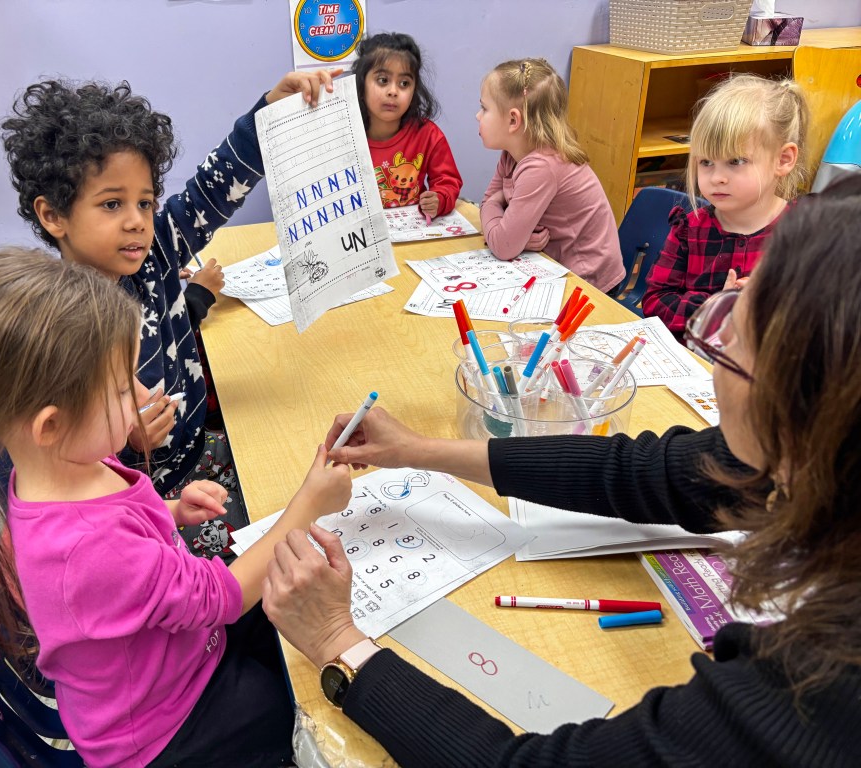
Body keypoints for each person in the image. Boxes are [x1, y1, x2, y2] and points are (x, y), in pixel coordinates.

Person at [260, 179, 861, 766]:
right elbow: (638, 471)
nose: (716, 343)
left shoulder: (821, 688)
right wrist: (420, 450)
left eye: (732, 337)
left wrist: (341, 645)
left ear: (799, 404)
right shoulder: (813, 460)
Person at [0, 250, 352, 768]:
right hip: (159, 734)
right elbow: (220, 598)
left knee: (287, 616)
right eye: (124, 387)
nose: (147, 394)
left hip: (169, 668)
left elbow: (119, 524)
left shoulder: (60, 466)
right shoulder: (88, 545)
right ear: (51, 425)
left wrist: (170, 511)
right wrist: (309, 505)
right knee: (299, 708)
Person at [0, 70, 337, 553]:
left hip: (199, 452)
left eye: (145, 202)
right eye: (112, 204)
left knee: (298, 474)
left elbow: (213, 188)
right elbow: (72, 472)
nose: (137, 221)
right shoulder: (62, 331)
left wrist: (269, 111)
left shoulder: (154, 251)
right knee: (274, 559)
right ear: (53, 216)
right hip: (148, 502)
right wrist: (129, 443)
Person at [643, 74, 808, 341]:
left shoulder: (805, 232)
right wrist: (713, 307)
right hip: (694, 358)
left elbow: (824, 316)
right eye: (706, 162)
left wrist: (769, 304)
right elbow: (655, 301)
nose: (717, 178)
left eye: (736, 161)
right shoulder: (689, 228)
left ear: (783, 159)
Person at [477, 58, 624, 292]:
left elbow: (502, 243)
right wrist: (513, 236)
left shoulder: (541, 166)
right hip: (553, 265)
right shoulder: (512, 154)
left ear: (513, 120)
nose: (478, 116)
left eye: (484, 108)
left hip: (589, 283)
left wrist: (496, 209)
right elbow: (496, 221)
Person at [353, 32, 462, 217]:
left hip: (413, 229)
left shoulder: (428, 135)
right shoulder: (345, 136)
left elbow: (448, 182)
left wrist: (439, 199)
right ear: (362, 85)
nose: (393, 91)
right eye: (383, 80)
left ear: (414, 90)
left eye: (404, 83)